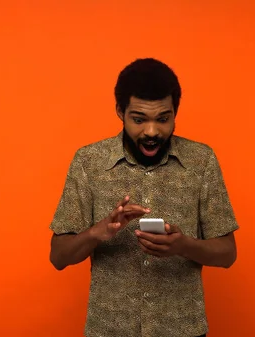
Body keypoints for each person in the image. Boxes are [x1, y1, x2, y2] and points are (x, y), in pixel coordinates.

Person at [49, 58, 239, 337]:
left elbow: (228, 254)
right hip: (109, 331)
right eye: (139, 120)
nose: (152, 132)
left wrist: (183, 245)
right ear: (120, 111)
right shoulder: (88, 162)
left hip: (183, 330)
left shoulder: (202, 161)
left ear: (176, 112)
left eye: (163, 119)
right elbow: (58, 256)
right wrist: (96, 232)